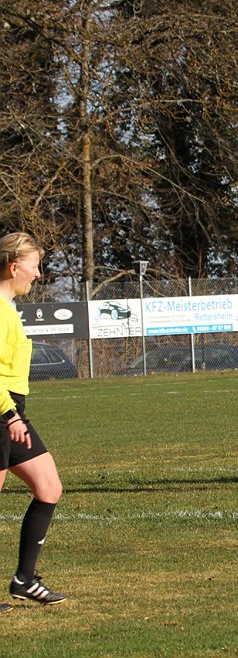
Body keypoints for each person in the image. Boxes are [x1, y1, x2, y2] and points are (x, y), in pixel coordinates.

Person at [0, 232, 66, 607]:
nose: (38, 274)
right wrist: (9, 413)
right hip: (2, 413)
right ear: (14, 267)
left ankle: (24, 580)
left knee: (48, 487)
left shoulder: (8, 307)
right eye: (34, 266)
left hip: (12, 413)